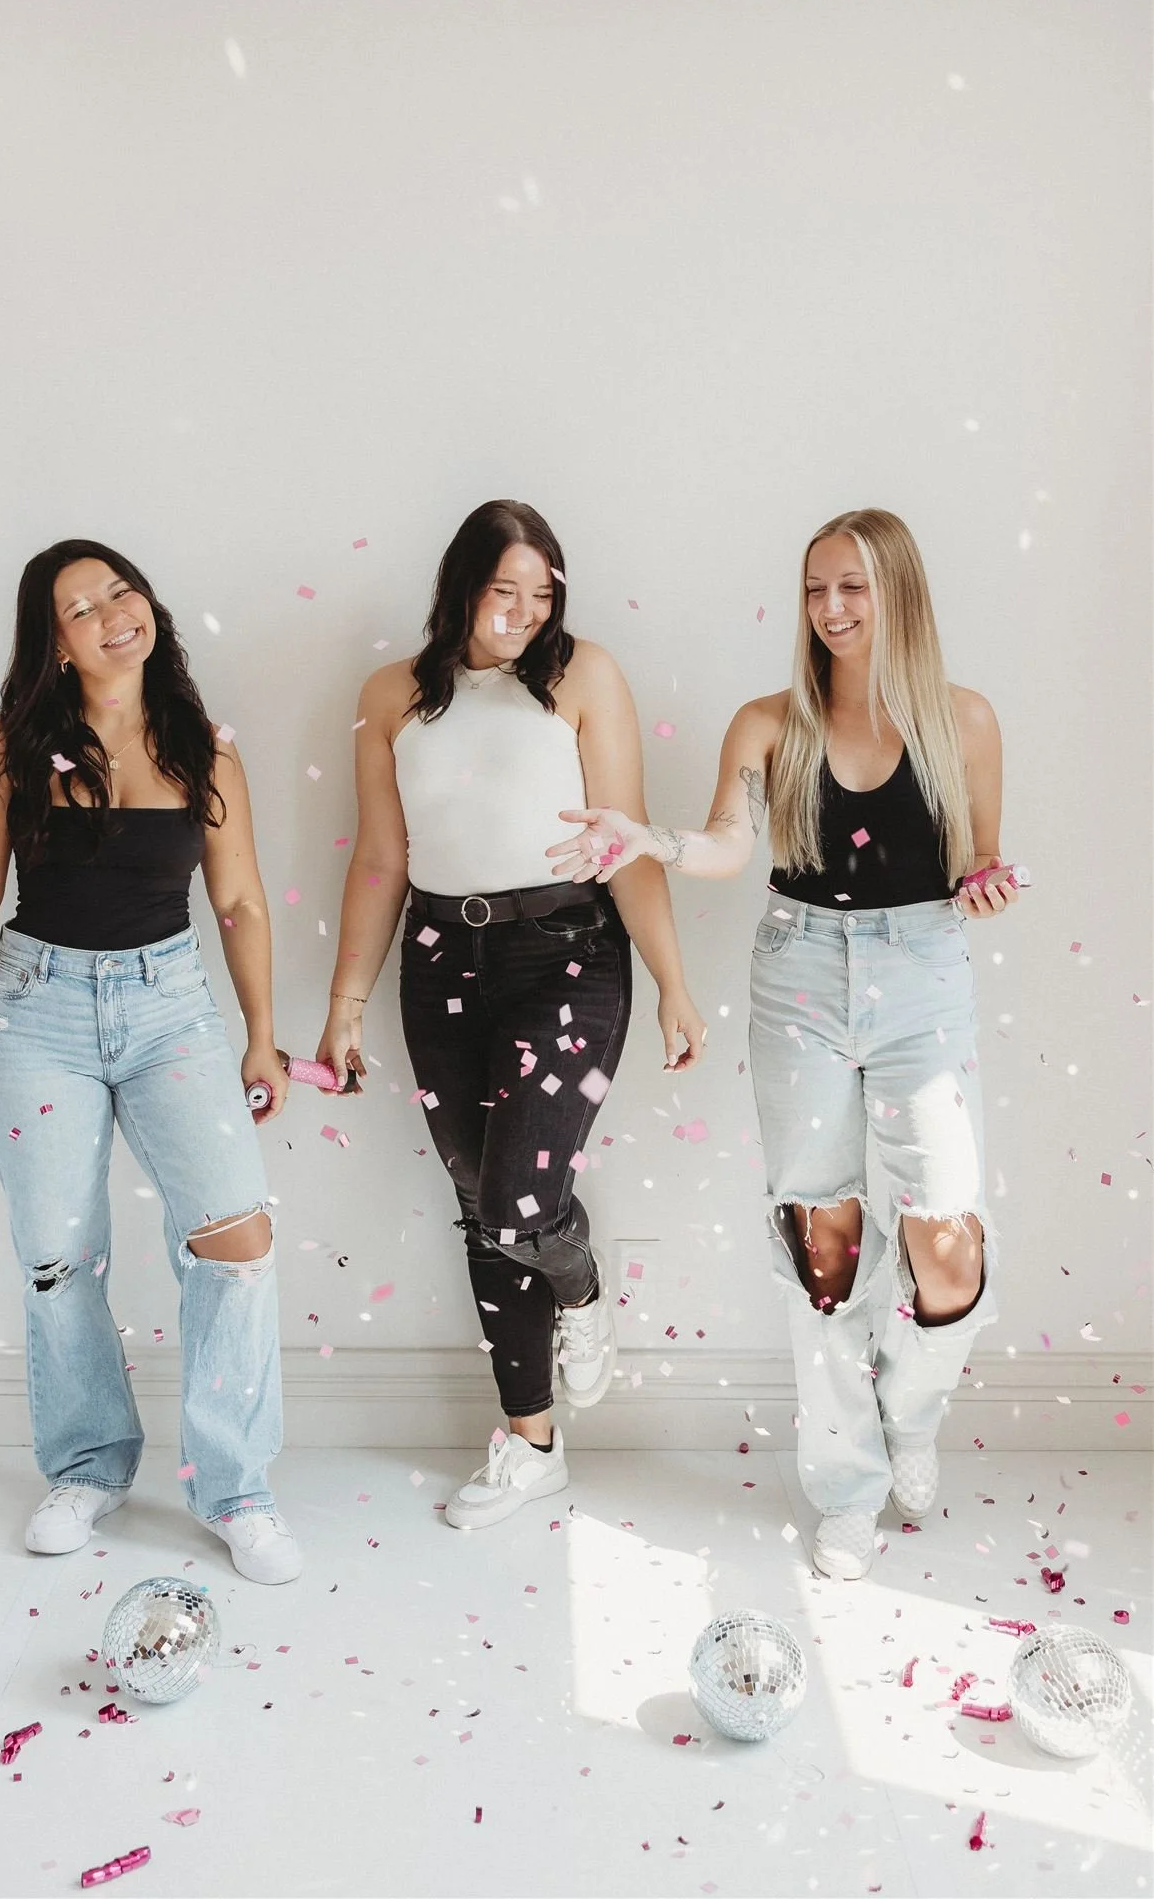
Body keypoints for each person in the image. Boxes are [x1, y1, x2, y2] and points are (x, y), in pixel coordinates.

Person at [550, 508, 1018, 1579]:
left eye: (853, 586)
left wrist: (988, 887)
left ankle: (910, 1410)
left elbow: (980, 861)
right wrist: (650, 837)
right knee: (827, 1241)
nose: (833, 609)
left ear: (898, 592)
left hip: (921, 973)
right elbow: (726, 842)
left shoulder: (966, 721)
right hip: (799, 971)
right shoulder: (769, 722)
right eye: (816, 588)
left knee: (946, 1235)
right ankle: (846, 1483)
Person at [316, 501, 706, 1530]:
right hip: (441, 955)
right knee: (475, 1202)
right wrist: (344, 1000)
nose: (527, 614)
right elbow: (381, 858)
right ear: (461, 585)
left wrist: (672, 979)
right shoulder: (392, 694)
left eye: (544, 594)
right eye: (506, 592)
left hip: (566, 954)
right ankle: (530, 1442)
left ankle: (578, 1287)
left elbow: (619, 843)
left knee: (516, 1208)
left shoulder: (583, 676)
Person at [0, 540, 300, 1582]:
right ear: (52, 639)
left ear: (149, 606)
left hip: (170, 1005)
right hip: (33, 1012)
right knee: (57, 1254)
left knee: (236, 1241)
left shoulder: (204, 746)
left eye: (120, 592)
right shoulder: (8, 744)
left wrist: (260, 1030)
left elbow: (237, 899)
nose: (110, 615)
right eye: (80, 607)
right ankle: (89, 1464)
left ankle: (235, 1487)